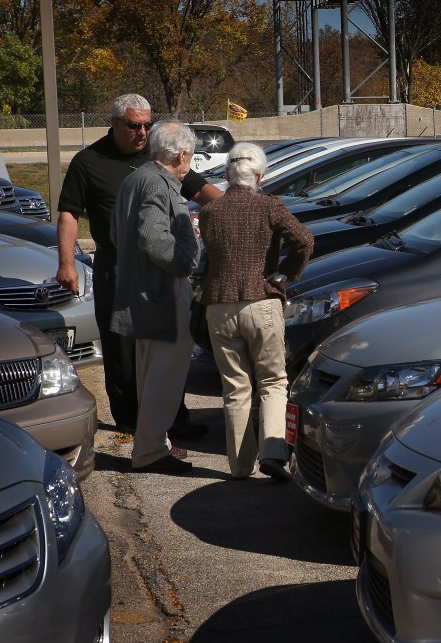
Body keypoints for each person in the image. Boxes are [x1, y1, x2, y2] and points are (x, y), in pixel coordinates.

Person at [55, 94, 220, 439]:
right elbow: (70, 212)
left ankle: (173, 417)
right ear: (114, 123)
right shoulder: (89, 161)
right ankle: (130, 420)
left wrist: (243, 204)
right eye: (134, 125)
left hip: (158, 269)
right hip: (116, 265)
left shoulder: (159, 156)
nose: (142, 132)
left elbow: (201, 189)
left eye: (147, 124)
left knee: (164, 344)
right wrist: (67, 262)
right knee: (121, 346)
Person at [197, 142, 312, 480]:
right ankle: (274, 453)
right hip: (261, 302)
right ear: (261, 175)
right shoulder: (270, 206)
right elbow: (304, 240)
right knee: (274, 382)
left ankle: (239, 467)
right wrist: (285, 274)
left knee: (235, 387)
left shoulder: (209, 212)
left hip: (218, 307)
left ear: (228, 174)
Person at [109, 121, 202, 474]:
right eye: (190, 156)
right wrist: (183, 263)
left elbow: (119, 234)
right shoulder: (157, 183)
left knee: (151, 373)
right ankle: (149, 452)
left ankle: (153, 445)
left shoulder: (136, 178)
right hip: (161, 292)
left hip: (145, 291)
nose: (190, 162)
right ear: (181, 154)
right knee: (164, 375)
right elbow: (153, 238)